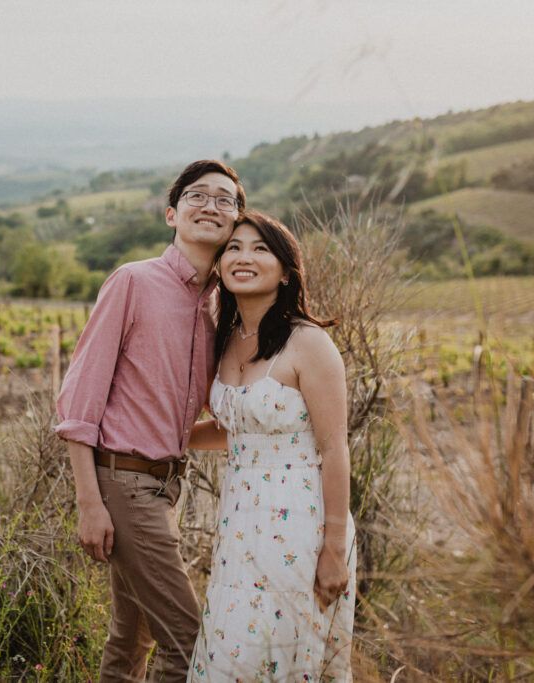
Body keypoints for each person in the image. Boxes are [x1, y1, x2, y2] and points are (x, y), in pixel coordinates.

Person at [55, 159, 246, 682]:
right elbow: (79, 402)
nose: (211, 205)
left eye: (225, 199)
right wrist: (89, 502)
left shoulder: (219, 311)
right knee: (189, 644)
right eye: (197, 196)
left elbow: (200, 418)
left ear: (236, 224)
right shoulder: (133, 282)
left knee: (130, 637)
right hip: (123, 484)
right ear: (171, 214)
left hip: (167, 488)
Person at [186, 210, 356, 681]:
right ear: (219, 267)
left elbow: (334, 449)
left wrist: (334, 549)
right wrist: (164, 439)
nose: (244, 257)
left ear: (286, 271)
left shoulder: (309, 344)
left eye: (261, 249)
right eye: (234, 248)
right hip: (239, 527)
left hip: (299, 529)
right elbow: (239, 429)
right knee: (230, 655)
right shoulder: (222, 343)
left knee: (281, 658)